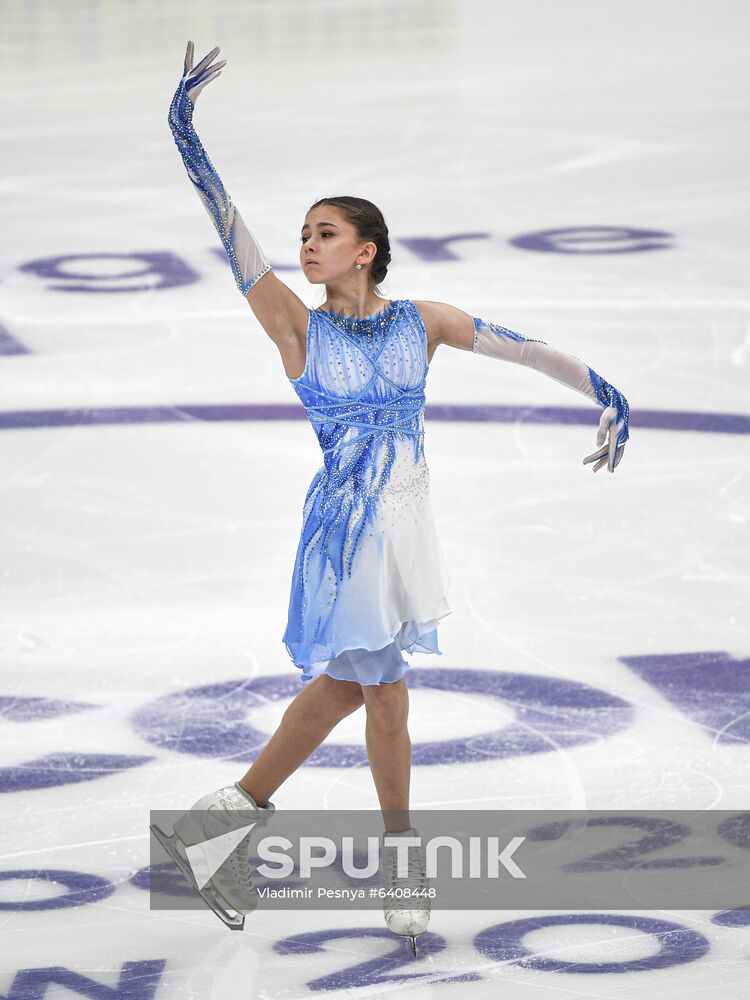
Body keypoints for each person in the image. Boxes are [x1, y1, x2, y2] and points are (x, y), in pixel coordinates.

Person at [154, 41, 629, 952]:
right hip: (346, 533)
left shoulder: (425, 323)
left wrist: (601, 387)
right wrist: (185, 136)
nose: (306, 245)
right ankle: (368, 859)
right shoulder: (295, 326)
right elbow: (232, 233)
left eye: (324, 233)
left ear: (365, 251)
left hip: (405, 527)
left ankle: (230, 821)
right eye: (304, 234)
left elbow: (524, 350)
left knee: (361, 694)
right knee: (377, 694)